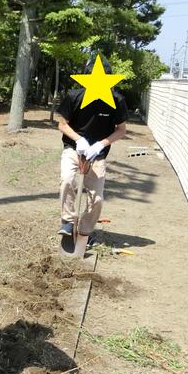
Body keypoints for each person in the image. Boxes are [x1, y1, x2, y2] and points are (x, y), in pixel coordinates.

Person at [57, 57, 127, 242]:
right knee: (67, 180)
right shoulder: (74, 97)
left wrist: (101, 144)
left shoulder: (116, 100)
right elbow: (62, 125)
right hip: (74, 148)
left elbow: (121, 130)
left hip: (98, 154)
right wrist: (79, 140)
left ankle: (84, 232)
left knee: (96, 198)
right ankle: (68, 222)